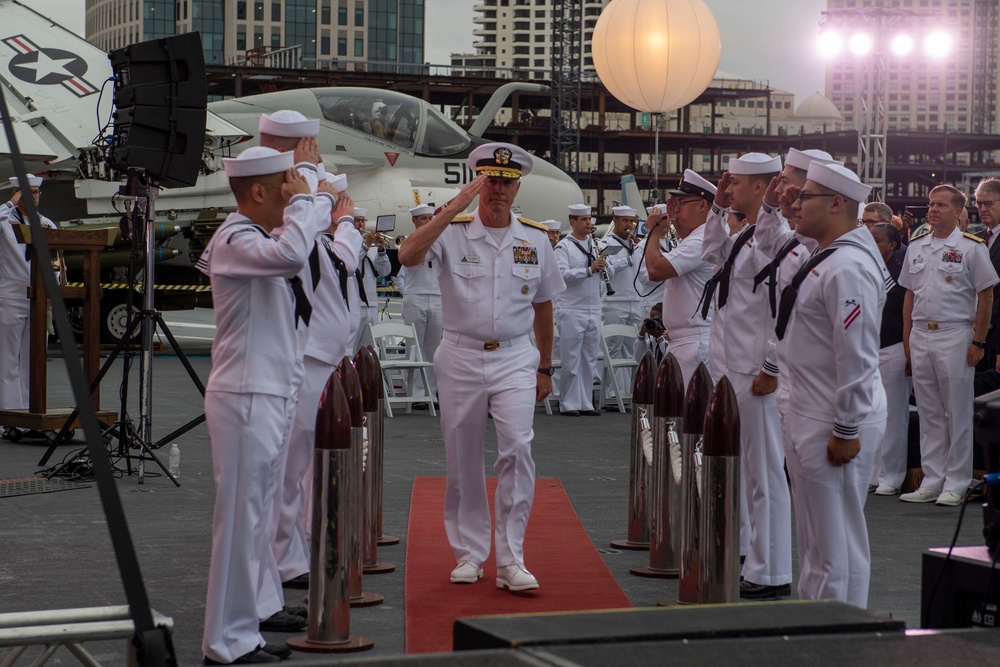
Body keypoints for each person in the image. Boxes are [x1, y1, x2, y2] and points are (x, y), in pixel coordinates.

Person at [397, 142, 565, 592]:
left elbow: (544, 305)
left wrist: (545, 367)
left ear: (518, 187)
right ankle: (470, 553)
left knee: (517, 449)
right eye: (490, 180)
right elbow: (408, 255)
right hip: (461, 354)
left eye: (506, 182)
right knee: (462, 456)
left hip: (514, 355)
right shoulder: (452, 231)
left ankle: (512, 559)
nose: (498, 189)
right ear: (477, 182)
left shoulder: (534, 238)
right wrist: (455, 206)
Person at [198, 147, 315, 665]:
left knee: (254, 523)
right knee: (240, 525)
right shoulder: (236, 237)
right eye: (285, 183)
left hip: (265, 392)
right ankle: (224, 643)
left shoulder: (259, 236)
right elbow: (290, 257)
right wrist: (308, 202)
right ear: (261, 192)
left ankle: (244, 630)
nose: (293, 189)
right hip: (246, 396)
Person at [777, 161, 890, 608]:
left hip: (833, 418)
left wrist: (846, 430)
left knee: (836, 544)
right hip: (811, 409)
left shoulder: (847, 268)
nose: (796, 202)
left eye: (806, 196)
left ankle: (840, 639)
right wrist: (792, 214)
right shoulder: (828, 252)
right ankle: (817, 629)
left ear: (838, 203)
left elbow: (858, 358)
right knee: (816, 544)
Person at [701, 153, 792, 600]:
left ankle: (771, 568)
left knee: (764, 472)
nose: (728, 186)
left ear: (760, 187)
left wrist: (772, 367)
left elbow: (784, 313)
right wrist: (717, 209)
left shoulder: (777, 236)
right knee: (739, 469)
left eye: (735, 182)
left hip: (755, 371)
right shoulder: (746, 234)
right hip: (729, 365)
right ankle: (745, 550)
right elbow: (711, 255)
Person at [898, 185, 998, 506]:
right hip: (920, 333)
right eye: (931, 204)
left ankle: (956, 480)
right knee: (928, 411)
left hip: (955, 334)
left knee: (957, 410)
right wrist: (907, 340)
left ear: (958, 212)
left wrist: (978, 340)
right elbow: (909, 295)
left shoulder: (972, 248)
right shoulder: (916, 245)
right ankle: (932, 478)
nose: (933, 209)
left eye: (941, 205)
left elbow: (986, 295)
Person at [642, 170, 716, 386]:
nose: (673, 212)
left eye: (680, 204)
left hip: (696, 341)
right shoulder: (695, 238)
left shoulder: (702, 239)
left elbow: (655, 270)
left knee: (691, 415)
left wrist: (653, 230)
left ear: (702, 206)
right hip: (684, 341)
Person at [0, 174, 57, 439]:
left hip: (39, 299)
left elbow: (57, 262)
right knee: (8, 362)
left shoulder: (47, 224)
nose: (33, 197)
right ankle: (10, 418)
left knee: (33, 362)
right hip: (10, 298)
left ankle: (31, 417)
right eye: (27, 192)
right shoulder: (5, 220)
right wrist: (9, 205)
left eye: (36, 192)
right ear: (16, 193)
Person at [554, 204, 609, 417]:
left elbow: (604, 269)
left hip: (593, 307)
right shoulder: (564, 247)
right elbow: (561, 275)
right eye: (583, 219)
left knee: (589, 358)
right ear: (573, 222)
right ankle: (568, 403)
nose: (588, 223)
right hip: (571, 307)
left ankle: (586, 402)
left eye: (589, 219)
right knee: (571, 358)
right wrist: (589, 269)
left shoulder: (597, 245)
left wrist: (605, 265)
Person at [868, 223, 910, 496]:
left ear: (893, 245)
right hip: (868, 347)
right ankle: (873, 472)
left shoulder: (901, 266)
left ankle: (892, 475)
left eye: (878, 239)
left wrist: (908, 350)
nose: (872, 243)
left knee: (893, 414)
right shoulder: (863, 262)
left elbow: (908, 308)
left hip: (894, 344)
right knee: (869, 413)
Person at [395, 204, 443, 404]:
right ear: (414, 221)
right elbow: (400, 277)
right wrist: (408, 294)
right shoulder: (409, 243)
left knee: (434, 349)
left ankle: (430, 394)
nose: (428, 222)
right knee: (414, 347)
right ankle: (414, 395)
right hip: (416, 297)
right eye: (423, 219)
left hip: (437, 297)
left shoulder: (440, 241)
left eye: (430, 218)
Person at [602, 205, 644, 409]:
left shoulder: (636, 245)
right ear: (616, 221)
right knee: (614, 348)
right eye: (625, 221)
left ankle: (625, 393)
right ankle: (611, 394)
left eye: (631, 221)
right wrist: (628, 259)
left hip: (635, 299)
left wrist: (638, 249)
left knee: (630, 349)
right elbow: (607, 268)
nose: (629, 225)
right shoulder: (606, 243)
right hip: (614, 301)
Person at [353, 207, 391, 351]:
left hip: (372, 304)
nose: (361, 224)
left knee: (369, 350)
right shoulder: (347, 244)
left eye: (363, 221)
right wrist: (366, 244)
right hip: (355, 303)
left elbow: (384, 271)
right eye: (357, 221)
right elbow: (352, 265)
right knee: (351, 348)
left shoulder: (372, 247)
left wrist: (381, 250)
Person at [975, 177, 1000, 371]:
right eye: (979, 203)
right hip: (976, 336)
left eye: (988, 203)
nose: (982, 208)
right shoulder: (977, 240)